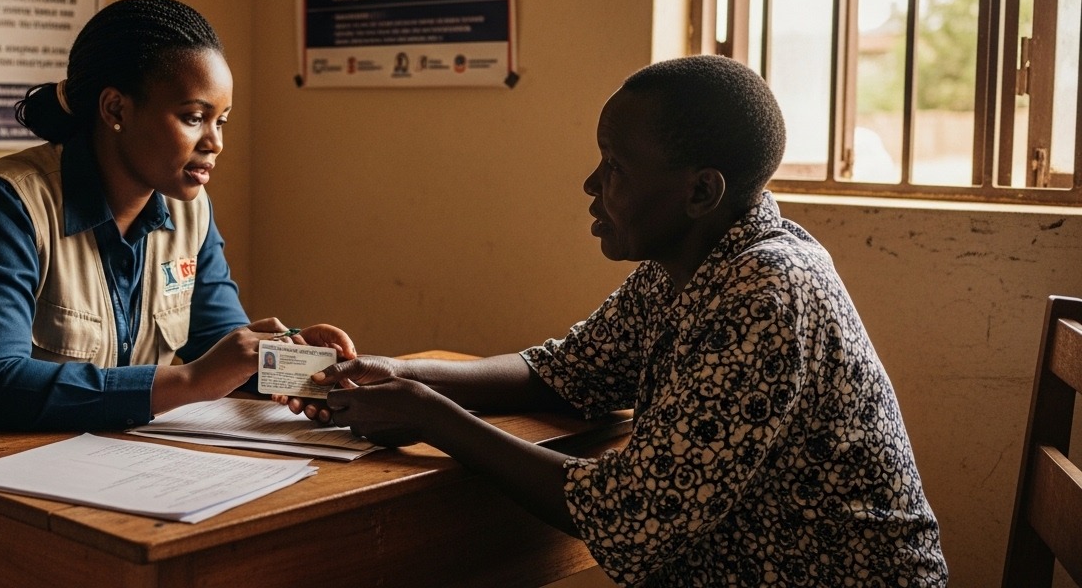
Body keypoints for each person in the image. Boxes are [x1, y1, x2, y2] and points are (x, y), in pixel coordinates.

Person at [312, 55, 948, 586]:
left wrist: (431, 416)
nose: (591, 183)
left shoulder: (766, 294)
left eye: (615, 166)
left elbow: (630, 515)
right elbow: (564, 373)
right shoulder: (696, 258)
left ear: (701, 192)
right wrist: (395, 371)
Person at [0, 0, 354, 588]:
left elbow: (219, 346)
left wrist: (298, 365)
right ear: (115, 109)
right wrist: (184, 383)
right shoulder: (6, 203)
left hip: (77, 497)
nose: (215, 142)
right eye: (193, 116)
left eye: (222, 121)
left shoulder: (191, 213)